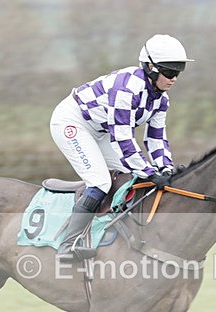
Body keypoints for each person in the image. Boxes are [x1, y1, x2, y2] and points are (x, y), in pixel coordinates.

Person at [49, 34, 194, 260]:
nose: (174, 78)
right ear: (150, 68)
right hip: (73, 122)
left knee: (132, 179)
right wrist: (150, 172)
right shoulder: (126, 89)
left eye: (178, 72)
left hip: (101, 130)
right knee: (100, 182)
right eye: (169, 72)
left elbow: (156, 139)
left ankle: (113, 236)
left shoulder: (161, 100)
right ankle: (68, 245)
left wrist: (166, 169)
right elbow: (123, 139)